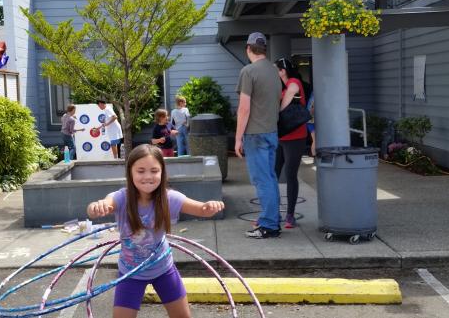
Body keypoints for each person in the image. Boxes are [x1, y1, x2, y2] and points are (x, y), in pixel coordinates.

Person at [87, 144, 224, 318]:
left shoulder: (169, 198)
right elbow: (99, 206)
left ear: (162, 172)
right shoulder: (121, 197)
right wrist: (97, 207)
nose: (148, 177)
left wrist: (210, 206)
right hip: (130, 272)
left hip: (163, 269)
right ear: (130, 172)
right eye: (141, 171)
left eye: (154, 171)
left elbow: (201, 209)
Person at [235, 32, 282, 239]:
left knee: (262, 180)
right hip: (271, 132)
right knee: (270, 178)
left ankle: (269, 225)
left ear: (248, 49)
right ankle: (272, 219)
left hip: (255, 134)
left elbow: (244, 109)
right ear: (264, 49)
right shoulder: (274, 71)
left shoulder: (248, 71)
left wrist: (238, 138)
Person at [274, 58, 307, 229]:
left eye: (276, 69)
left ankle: (290, 215)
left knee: (290, 175)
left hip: (295, 137)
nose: (275, 72)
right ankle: (274, 213)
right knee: (273, 173)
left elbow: (283, 106)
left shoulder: (294, 82)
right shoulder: (283, 87)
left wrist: (273, 110)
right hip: (281, 137)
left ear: (283, 71)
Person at [307, 90, 316, 158]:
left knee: (314, 140)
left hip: (310, 121)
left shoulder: (311, 98)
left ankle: (314, 155)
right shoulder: (314, 99)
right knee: (315, 140)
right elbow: (311, 111)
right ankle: (314, 156)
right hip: (311, 122)